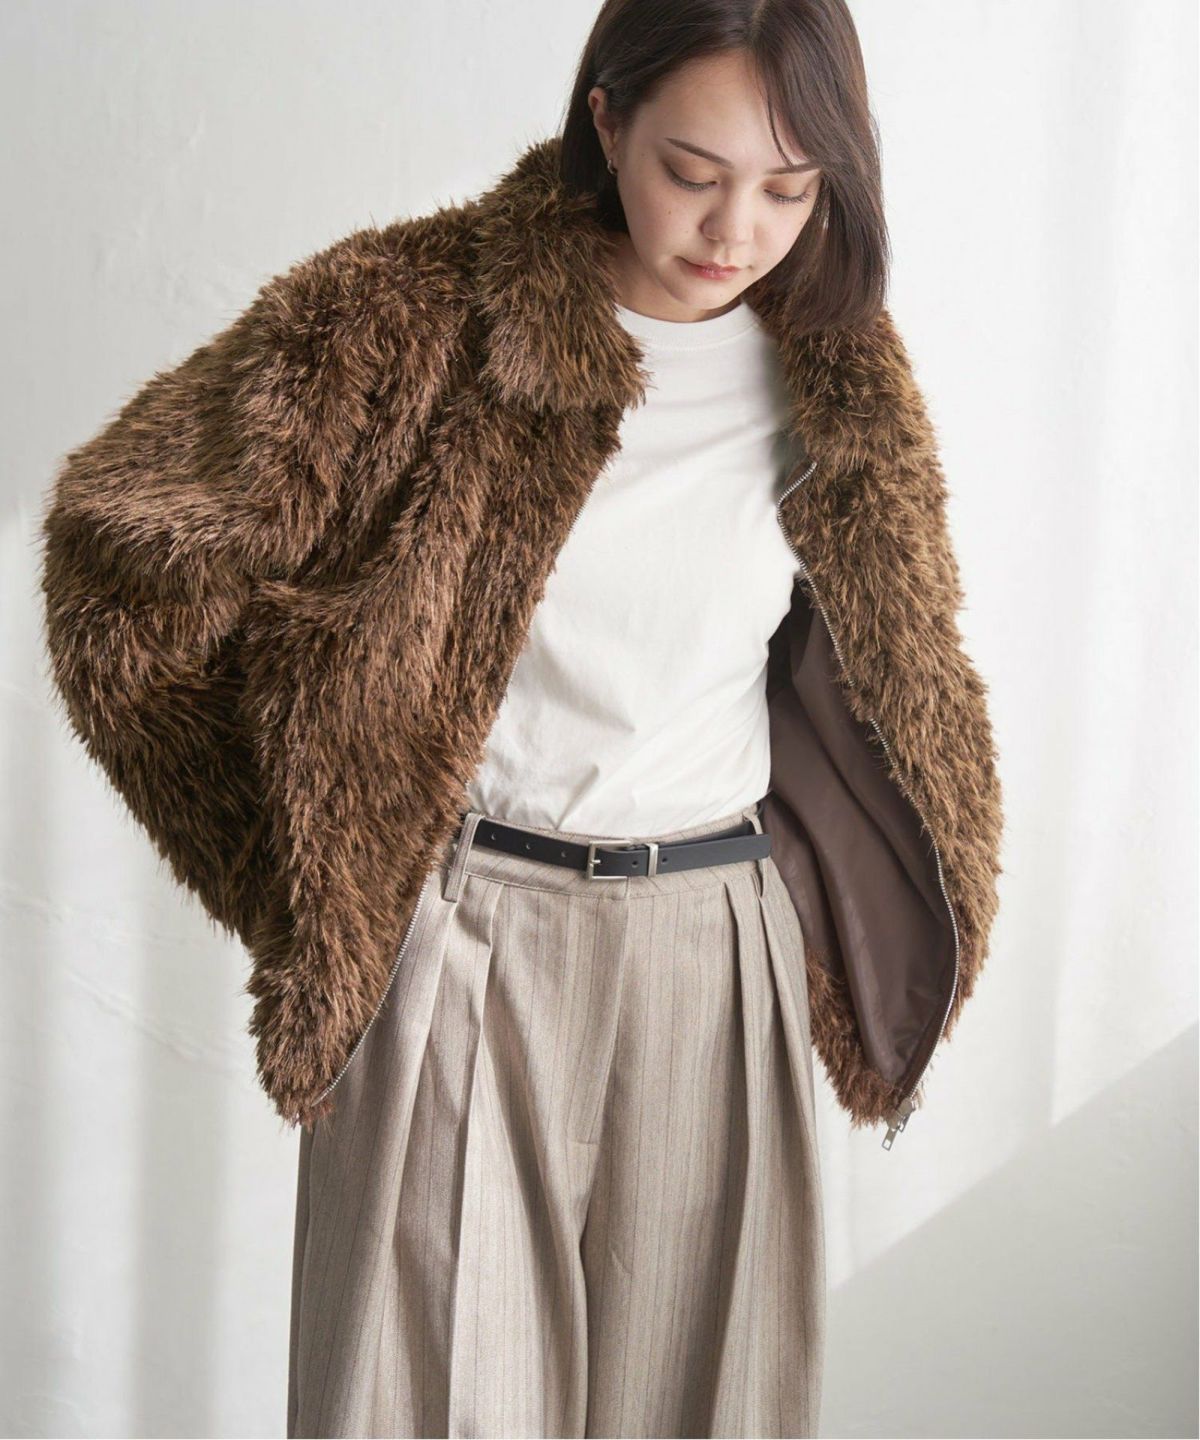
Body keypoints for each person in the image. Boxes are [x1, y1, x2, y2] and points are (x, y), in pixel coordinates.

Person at [37, 1, 1004, 1435]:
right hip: (462, 933)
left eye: (790, 189)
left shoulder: (840, 375)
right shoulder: (408, 317)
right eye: (693, 171)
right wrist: (308, 868)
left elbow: (906, 674)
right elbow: (121, 553)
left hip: (714, 946)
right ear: (606, 121)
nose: (736, 229)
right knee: (416, 1405)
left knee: (714, 1404)